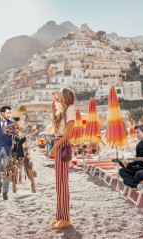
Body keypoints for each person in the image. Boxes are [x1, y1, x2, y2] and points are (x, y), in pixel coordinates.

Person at [51, 88, 76, 229]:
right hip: (58, 142)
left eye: (60, 93)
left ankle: (66, 218)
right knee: (59, 183)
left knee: (62, 184)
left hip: (62, 144)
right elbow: (56, 128)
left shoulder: (71, 109)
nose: (58, 94)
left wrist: (55, 147)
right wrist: (53, 109)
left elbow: (68, 133)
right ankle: (60, 216)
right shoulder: (63, 111)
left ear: (66, 96)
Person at [4, 105, 38, 193]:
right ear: (18, 115)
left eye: (24, 114)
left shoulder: (28, 124)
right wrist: (13, 134)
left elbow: (36, 131)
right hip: (15, 147)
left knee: (28, 166)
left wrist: (28, 135)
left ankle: (33, 185)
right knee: (14, 167)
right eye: (21, 114)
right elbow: (5, 130)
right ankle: (14, 186)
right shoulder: (14, 125)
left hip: (25, 147)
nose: (23, 116)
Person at [119, 124, 143, 189]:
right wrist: (128, 163)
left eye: (138, 132)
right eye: (136, 132)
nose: (136, 134)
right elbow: (137, 161)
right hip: (140, 168)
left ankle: (131, 182)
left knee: (139, 174)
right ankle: (136, 185)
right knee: (122, 170)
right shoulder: (138, 145)